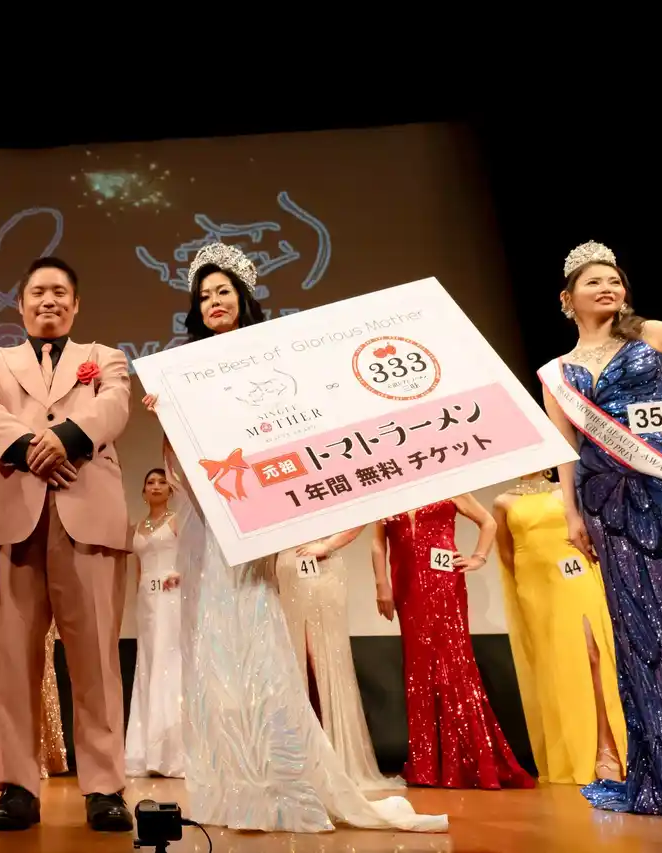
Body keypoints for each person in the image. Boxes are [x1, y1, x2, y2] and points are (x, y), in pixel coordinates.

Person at [143, 243, 445, 832]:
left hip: (255, 520)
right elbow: (178, 470)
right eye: (203, 296)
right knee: (214, 650)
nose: (213, 302)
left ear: (243, 297)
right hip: (207, 524)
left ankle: (282, 783)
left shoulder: (267, 358)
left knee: (260, 641)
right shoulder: (182, 371)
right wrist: (167, 418)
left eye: (223, 292)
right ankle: (235, 788)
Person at [539, 240, 662, 819]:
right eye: (594, 282)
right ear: (568, 299)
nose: (608, 288)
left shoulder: (651, 335)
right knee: (644, 629)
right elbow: (565, 450)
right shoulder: (556, 373)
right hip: (607, 503)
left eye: (615, 280)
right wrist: (571, 514)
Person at [0, 256, 133, 832]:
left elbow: (113, 407)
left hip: (88, 515)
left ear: (76, 304)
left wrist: (66, 438)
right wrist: (28, 449)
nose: (49, 300)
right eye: (38, 291)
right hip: (13, 515)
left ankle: (105, 787)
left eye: (60, 292)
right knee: (13, 658)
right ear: (20, 305)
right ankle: (17, 786)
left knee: (96, 659)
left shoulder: (106, 357)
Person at [373, 496, 535, 790]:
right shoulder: (389, 492)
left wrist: (479, 557)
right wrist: (381, 583)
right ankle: (427, 765)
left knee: (453, 663)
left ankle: (467, 759)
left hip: (444, 580)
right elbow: (377, 543)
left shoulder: (449, 487)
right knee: (419, 668)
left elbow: (488, 521)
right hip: (406, 583)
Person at [493, 470, 626, 785]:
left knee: (593, 653)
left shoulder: (566, 491)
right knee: (557, 664)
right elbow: (506, 553)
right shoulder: (503, 501)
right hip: (535, 586)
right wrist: (532, 580)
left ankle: (607, 747)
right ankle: (573, 750)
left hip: (575, 573)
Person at [276, 528, 403, 790]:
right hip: (286, 569)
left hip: (321, 567)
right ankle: (299, 759)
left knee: (324, 660)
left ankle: (334, 756)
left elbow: (357, 515)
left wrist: (329, 545)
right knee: (294, 661)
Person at [124, 467, 184, 779]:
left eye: (162, 482)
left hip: (172, 596)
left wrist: (180, 575)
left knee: (169, 662)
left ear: (171, 490)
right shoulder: (138, 526)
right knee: (147, 664)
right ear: (143, 491)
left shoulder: (177, 521)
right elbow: (138, 567)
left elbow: (191, 556)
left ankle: (172, 752)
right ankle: (146, 751)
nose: (157, 486)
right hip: (146, 600)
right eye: (151, 482)